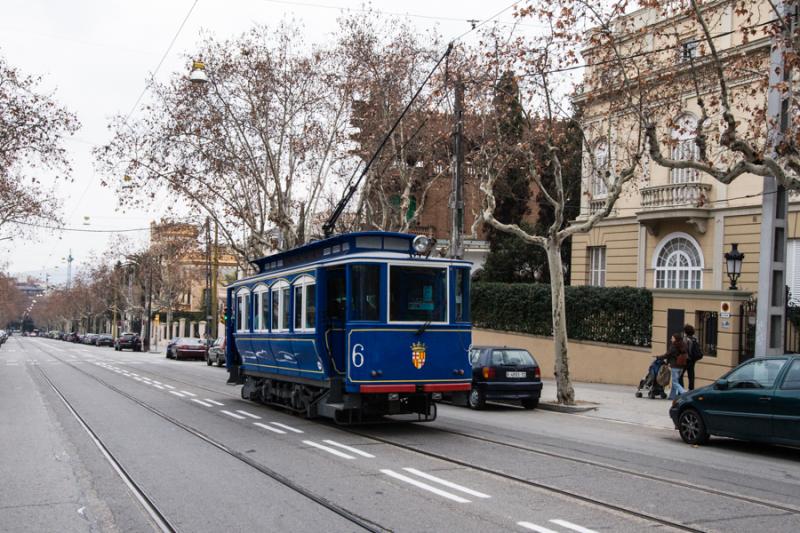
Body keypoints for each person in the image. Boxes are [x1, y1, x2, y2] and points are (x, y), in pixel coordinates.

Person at [659, 332, 687, 400]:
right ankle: (672, 396)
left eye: (672, 338)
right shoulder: (683, 345)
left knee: (675, 382)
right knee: (675, 381)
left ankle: (684, 394)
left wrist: (659, 357)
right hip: (681, 367)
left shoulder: (674, 346)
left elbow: (667, 354)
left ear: (675, 339)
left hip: (675, 366)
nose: (671, 339)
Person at [682, 324, 702, 390]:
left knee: (680, 375)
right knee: (691, 375)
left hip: (687, 359)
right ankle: (691, 389)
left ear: (686, 331)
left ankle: (681, 390)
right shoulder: (695, 339)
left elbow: (686, 350)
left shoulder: (685, 339)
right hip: (693, 359)